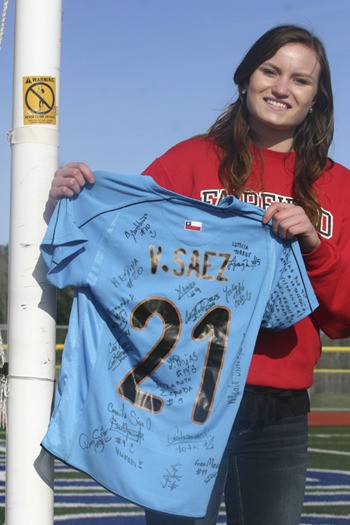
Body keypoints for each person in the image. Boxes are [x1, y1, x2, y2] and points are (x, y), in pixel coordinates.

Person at [47, 24, 350, 525]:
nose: (281, 87)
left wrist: (315, 247)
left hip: (277, 409)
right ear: (245, 77)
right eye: (270, 71)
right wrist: (79, 197)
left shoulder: (337, 186)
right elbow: (131, 248)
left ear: (318, 97)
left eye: (300, 80)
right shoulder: (188, 161)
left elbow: (343, 319)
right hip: (181, 403)